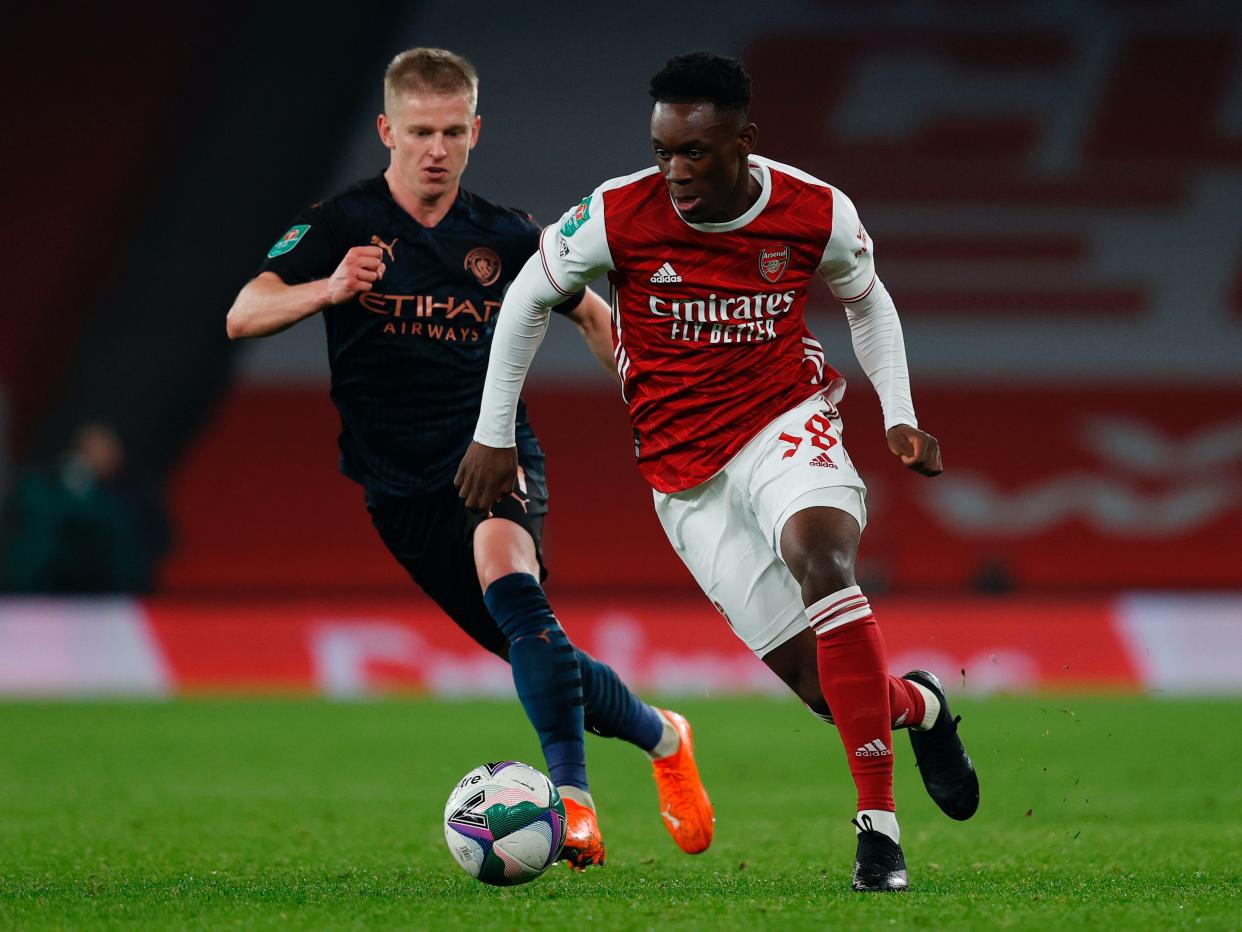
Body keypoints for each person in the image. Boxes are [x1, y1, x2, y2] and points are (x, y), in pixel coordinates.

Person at [457, 51, 979, 892]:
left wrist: (900, 415)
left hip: (785, 421)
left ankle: (878, 832)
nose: (675, 171)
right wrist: (494, 436)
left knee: (824, 559)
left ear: (745, 141)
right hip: (680, 476)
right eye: (664, 150)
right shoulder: (617, 213)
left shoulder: (815, 210)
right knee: (824, 692)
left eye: (694, 152)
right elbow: (527, 296)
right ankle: (922, 705)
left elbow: (866, 298)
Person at [225, 47, 713, 868]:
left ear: (475, 131)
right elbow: (244, 313)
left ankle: (575, 803)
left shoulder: (506, 233)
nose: (436, 150)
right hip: (397, 488)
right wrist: (329, 289)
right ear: (387, 129)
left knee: (508, 576)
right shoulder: (341, 224)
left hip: (489, 453)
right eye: (420, 132)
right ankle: (664, 736)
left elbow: (595, 318)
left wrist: (661, 398)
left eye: (453, 131)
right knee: (539, 652)